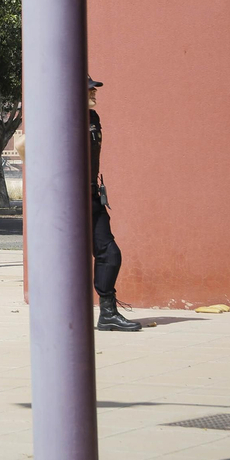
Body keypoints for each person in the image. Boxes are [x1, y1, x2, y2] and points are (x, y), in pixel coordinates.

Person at [89, 77, 141, 332]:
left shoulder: (92, 118)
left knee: (109, 254)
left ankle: (107, 313)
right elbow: (25, 144)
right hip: (66, 203)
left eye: (94, 89)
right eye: (88, 89)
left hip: (91, 198)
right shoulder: (58, 118)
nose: (94, 93)